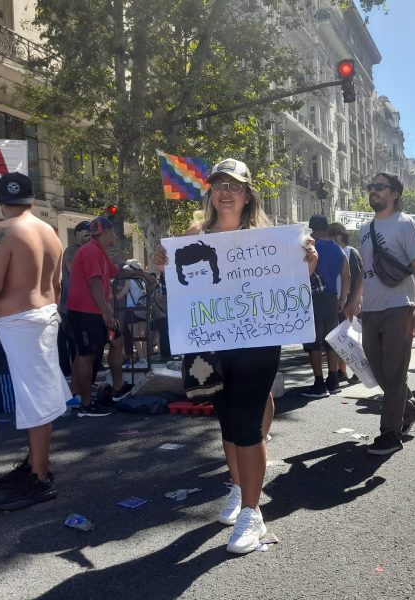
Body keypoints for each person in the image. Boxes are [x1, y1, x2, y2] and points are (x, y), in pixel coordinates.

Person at [154, 158, 317, 554]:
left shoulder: (269, 238)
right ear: (211, 192)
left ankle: (251, 512)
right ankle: (239, 486)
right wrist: (161, 265)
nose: (226, 191)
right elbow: (180, 288)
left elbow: (291, 286)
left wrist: (306, 263)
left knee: (247, 422)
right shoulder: (195, 233)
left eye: (235, 185)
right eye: (219, 184)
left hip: (259, 342)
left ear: (247, 195)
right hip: (211, 344)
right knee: (227, 420)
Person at [0, 172, 71, 511]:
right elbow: (56, 287)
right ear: (31, 200)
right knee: (39, 397)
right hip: (45, 317)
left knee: (35, 401)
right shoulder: (50, 233)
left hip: (19, 323)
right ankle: (35, 465)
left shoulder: (2, 231)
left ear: (1, 202)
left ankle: (39, 475)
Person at [345, 172, 415, 456]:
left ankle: (390, 434)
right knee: (378, 370)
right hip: (372, 310)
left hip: (399, 307)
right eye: (371, 187)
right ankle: (409, 409)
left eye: (379, 187)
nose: (373, 191)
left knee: (394, 372)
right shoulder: (365, 229)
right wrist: (353, 302)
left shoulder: (406, 225)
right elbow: (364, 271)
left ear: (394, 194)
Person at [66, 217, 133, 416]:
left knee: (117, 341)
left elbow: (115, 271)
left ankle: (117, 387)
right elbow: (94, 283)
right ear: (105, 231)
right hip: (86, 312)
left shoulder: (99, 251)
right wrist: (106, 311)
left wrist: (138, 272)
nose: (115, 236)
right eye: (113, 232)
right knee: (86, 355)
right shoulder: (90, 251)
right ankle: (85, 404)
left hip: (97, 311)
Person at [302, 215, 349, 397]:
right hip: (331, 297)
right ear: (327, 228)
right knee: (331, 339)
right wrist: (343, 299)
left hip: (313, 296)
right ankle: (333, 380)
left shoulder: (310, 246)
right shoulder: (339, 250)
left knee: (313, 341)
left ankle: (319, 384)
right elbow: (347, 275)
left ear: (312, 228)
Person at [328, 221, 363, 384]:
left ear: (339, 236)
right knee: (341, 338)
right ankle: (342, 371)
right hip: (336, 300)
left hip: (349, 301)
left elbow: (357, 279)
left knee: (352, 338)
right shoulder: (334, 252)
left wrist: (356, 301)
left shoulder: (351, 252)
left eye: (332, 236)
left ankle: (359, 370)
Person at [58, 220, 90, 383]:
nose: (90, 236)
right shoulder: (72, 250)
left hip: (80, 306)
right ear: (77, 234)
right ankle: (76, 386)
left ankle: (79, 384)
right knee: (78, 349)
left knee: (82, 349)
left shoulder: (86, 250)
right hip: (72, 307)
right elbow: (76, 272)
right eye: (86, 232)